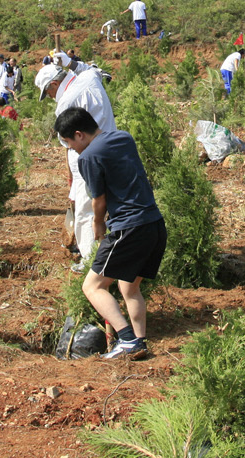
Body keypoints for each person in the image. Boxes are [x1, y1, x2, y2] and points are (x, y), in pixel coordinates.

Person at [56, 108, 168, 360]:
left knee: (92, 286)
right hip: (154, 224)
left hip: (128, 228)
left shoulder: (88, 157)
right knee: (129, 287)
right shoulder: (124, 137)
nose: (72, 150)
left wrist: (98, 224)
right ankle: (140, 342)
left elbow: (99, 199)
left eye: (70, 144)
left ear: (79, 134)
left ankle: (127, 339)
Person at [36, 63, 116, 271]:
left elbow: (68, 142)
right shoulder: (89, 77)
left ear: (54, 84)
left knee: (85, 211)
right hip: (109, 147)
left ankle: (93, 263)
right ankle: (107, 254)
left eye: (49, 91)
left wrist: (72, 171)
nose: (51, 96)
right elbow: (89, 68)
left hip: (87, 156)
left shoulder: (66, 102)